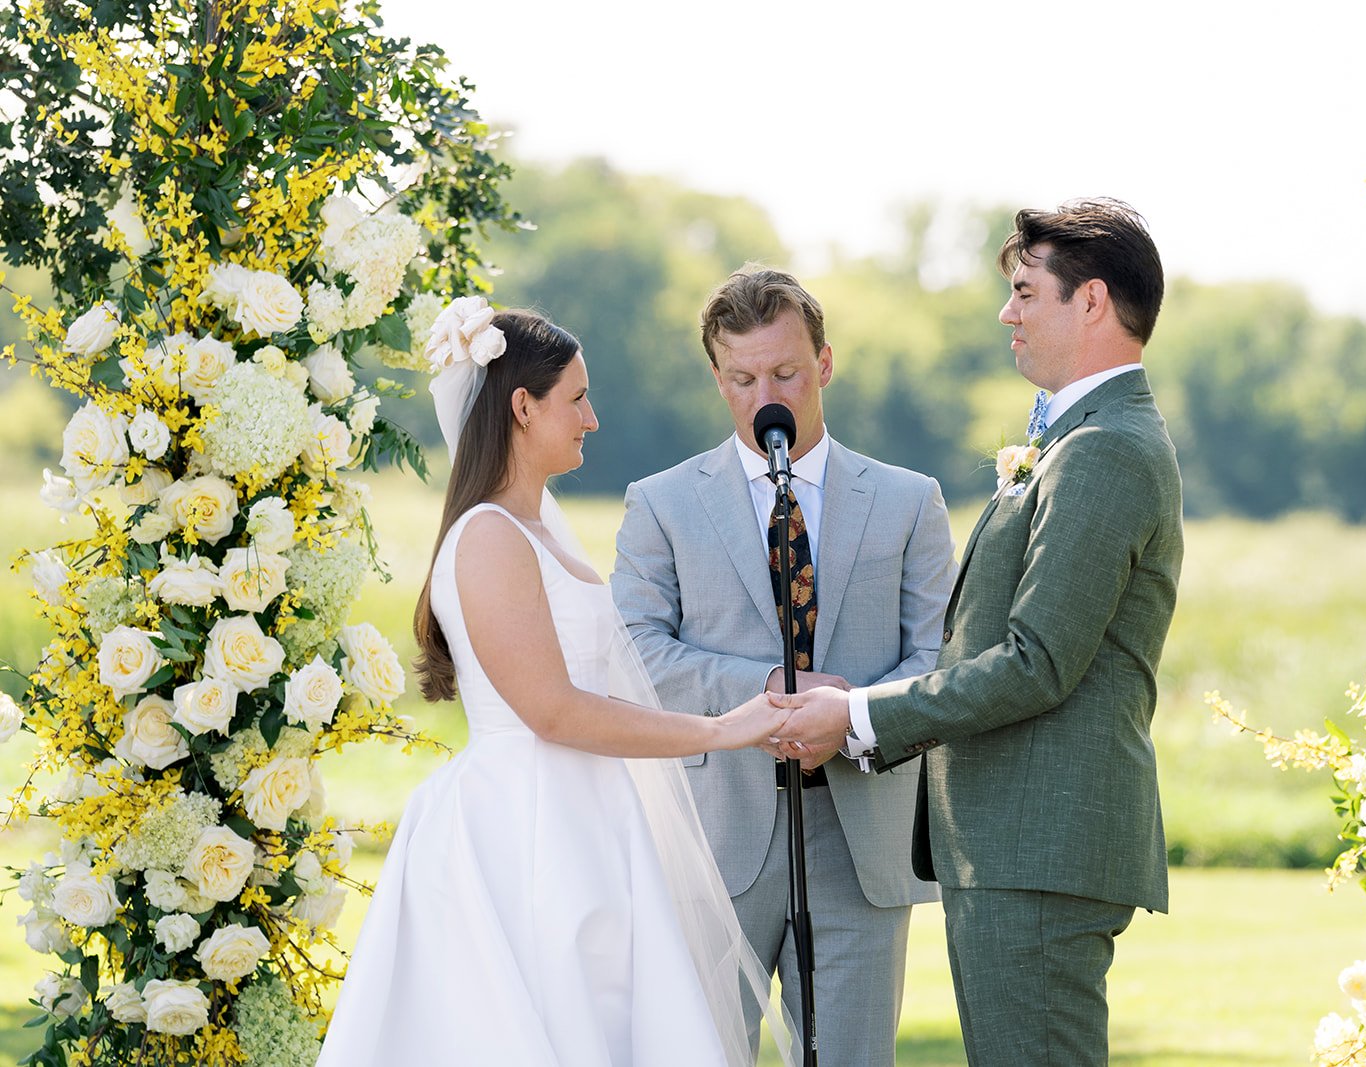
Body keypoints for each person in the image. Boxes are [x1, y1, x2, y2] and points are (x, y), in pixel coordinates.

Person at [318, 307, 795, 1067]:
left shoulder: (536, 531)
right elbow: (551, 710)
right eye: (575, 398)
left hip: (587, 818)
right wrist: (716, 729)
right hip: (525, 831)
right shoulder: (487, 538)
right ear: (521, 406)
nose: (592, 419)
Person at [773, 200, 1184, 1067]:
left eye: (1026, 291)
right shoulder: (1079, 437)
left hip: (1038, 844)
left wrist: (860, 719)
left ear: (1093, 302)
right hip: (1015, 845)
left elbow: (1037, 662)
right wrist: (860, 697)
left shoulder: (1104, 448)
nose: (1009, 312)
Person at [611, 267, 956, 1065]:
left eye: (786, 372)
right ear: (717, 379)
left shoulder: (910, 500)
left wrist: (851, 719)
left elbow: (938, 656)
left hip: (861, 834)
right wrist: (764, 696)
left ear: (825, 363)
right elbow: (635, 652)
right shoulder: (659, 502)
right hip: (713, 835)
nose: (766, 392)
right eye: (743, 377)